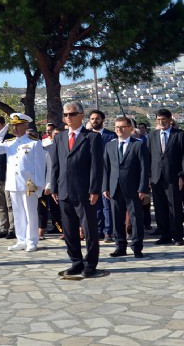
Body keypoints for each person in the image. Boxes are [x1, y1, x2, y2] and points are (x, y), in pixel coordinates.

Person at [51, 101, 104, 277]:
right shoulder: (59, 137)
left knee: (89, 230)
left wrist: (95, 190)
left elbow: (96, 166)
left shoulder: (92, 137)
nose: (68, 118)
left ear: (81, 115)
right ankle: (76, 261)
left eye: (72, 114)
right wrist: (54, 187)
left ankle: (90, 262)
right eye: (65, 115)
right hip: (64, 190)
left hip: (84, 192)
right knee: (69, 230)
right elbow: (56, 165)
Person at [0, 113, 46, 252]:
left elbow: (40, 167)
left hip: (29, 185)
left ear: (26, 126)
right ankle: (21, 240)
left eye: (18, 125)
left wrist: (39, 187)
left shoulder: (34, 143)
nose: (15, 128)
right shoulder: (9, 143)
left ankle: (31, 240)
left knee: (30, 213)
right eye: (13, 126)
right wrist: (2, 131)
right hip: (13, 184)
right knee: (18, 213)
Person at [102, 116, 150, 258]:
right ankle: (120, 246)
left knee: (136, 218)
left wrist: (143, 188)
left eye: (122, 127)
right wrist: (105, 187)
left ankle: (136, 247)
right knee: (117, 219)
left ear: (130, 128)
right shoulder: (110, 145)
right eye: (117, 127)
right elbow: (106, 168)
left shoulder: (138, 144)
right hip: (114, 188)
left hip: (133, 189)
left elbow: (144, 168)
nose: (119, 129)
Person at [148, 108, 184, 245]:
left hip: (173, 177)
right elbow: (149, 157)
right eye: (159, 120)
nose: (161, 122)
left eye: (164, 119)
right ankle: (164, 234)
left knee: (175, 208)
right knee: (160, 208)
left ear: (170, 120)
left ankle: (177, 236)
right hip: (156, 178)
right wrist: (149, 177)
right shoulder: (152, 135)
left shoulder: (180, 135)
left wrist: (182, 176)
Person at [89, 109, 117, 242]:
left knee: (107, 204)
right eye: (92, 119)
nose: (95, 121)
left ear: (103, 120)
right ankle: (98, 230)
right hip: (91, 176)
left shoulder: (111, 136)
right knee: (95, 205)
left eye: (97, 118)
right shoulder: (86, 136)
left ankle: (108, 231)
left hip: (107, 175)